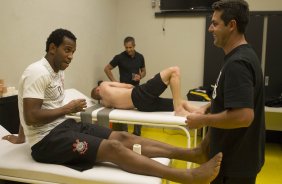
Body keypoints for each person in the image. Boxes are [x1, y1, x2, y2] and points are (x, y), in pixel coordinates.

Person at [12, 28, 223, 184]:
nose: (70, 56)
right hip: (46, 143)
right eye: (67, 50)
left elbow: (25, 105)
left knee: (123, 137)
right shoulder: (37, 72)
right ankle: (188, 176)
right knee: (113, 148)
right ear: (52, 48)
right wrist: (67, 109)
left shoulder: (57, 71)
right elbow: (31, 115)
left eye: (73, 52)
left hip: (63, 127)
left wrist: (22, 136)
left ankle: (192, 154)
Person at [186, 0, 265, 184]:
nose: (210, 29)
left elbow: (244, 115)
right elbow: (232, 100)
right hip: (234, 161)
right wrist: (207, 107)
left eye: (215, 23)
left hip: (235, 166)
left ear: (232, 25)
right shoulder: (238, 57)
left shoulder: (238, 64)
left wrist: (202, 121)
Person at [92, 66, 200, 116]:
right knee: (174, 70)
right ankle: (180, 110)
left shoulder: (106, 103)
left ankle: (199, 111)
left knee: (177, 101)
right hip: (139, 94)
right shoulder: (103, 85)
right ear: (98, 89)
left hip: (143, 106)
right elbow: (127, 86)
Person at [104, 36, 146, 135]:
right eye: (126, 47)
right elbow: (107, 69)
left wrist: (140, 76)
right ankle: (125, 134)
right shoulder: (119, 57)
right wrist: (115, 83)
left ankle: (137, 134)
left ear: (134, 46)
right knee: (123, 113)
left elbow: (144, 71)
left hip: (135, 89)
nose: (128, 50)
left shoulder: (140, 57)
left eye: (130, 47)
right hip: (122, 90)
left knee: (139, 112)